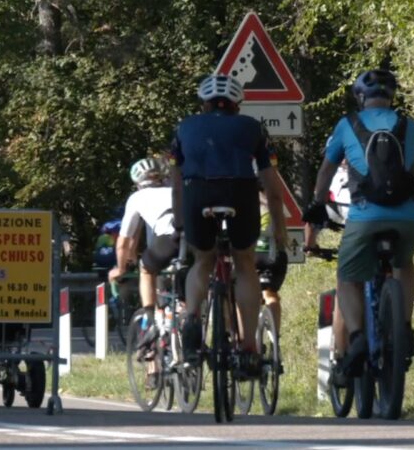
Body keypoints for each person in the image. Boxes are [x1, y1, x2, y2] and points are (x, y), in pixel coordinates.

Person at [302, 69, 414, 385]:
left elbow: (326, 171)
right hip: (407, 217)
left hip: (364, 218)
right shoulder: (408, 125)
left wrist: (318, 204)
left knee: (347, 277)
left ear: (360, 97)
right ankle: (403, 327)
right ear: (392, 97)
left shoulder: (347, 125)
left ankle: (359, 336)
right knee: (404, 263)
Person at [171, 73, 287, 378]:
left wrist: (180, 220)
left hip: (198, 192)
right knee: (245, 263)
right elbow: (272, 186)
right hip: (241, 192)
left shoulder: (184, 127)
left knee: (203, 260)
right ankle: (248, 346)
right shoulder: (253, 128)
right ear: (237, 104)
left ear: (204, 104)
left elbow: (176, 180)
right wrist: (280, 228)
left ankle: (193, 317)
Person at [110, 157, 178, 321]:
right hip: (192, 240)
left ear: (138, 182)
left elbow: (123, 241)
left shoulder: (137, 198)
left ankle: (150, 319)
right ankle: (191, 316)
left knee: (146, 270)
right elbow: (138, 231)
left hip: (166, 242)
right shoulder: (176, 190)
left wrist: (120, 269)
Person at [254, 183, 290, 340]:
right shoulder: (275, 204)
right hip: (275, 254)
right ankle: (275, 339)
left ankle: (245, 341)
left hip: (253, 254)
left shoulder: (242, 201)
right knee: (270, 294)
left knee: (242, 293)